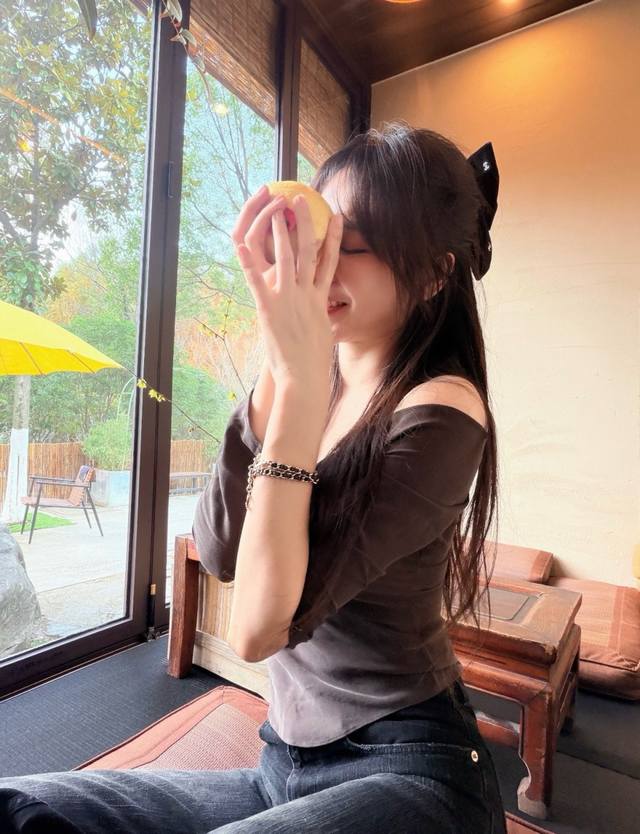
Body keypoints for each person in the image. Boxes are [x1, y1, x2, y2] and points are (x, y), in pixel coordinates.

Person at [0, 121, 506, 833]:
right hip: (283, 766)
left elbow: (258, 628)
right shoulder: (313, 377)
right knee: (21, 806)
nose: (317, 264)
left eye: (350, 244)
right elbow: (219, 547)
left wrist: (296, 382)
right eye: (318, 237)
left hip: (411, 768)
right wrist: (280, 368)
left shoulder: (444, 409)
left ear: (431, 274)